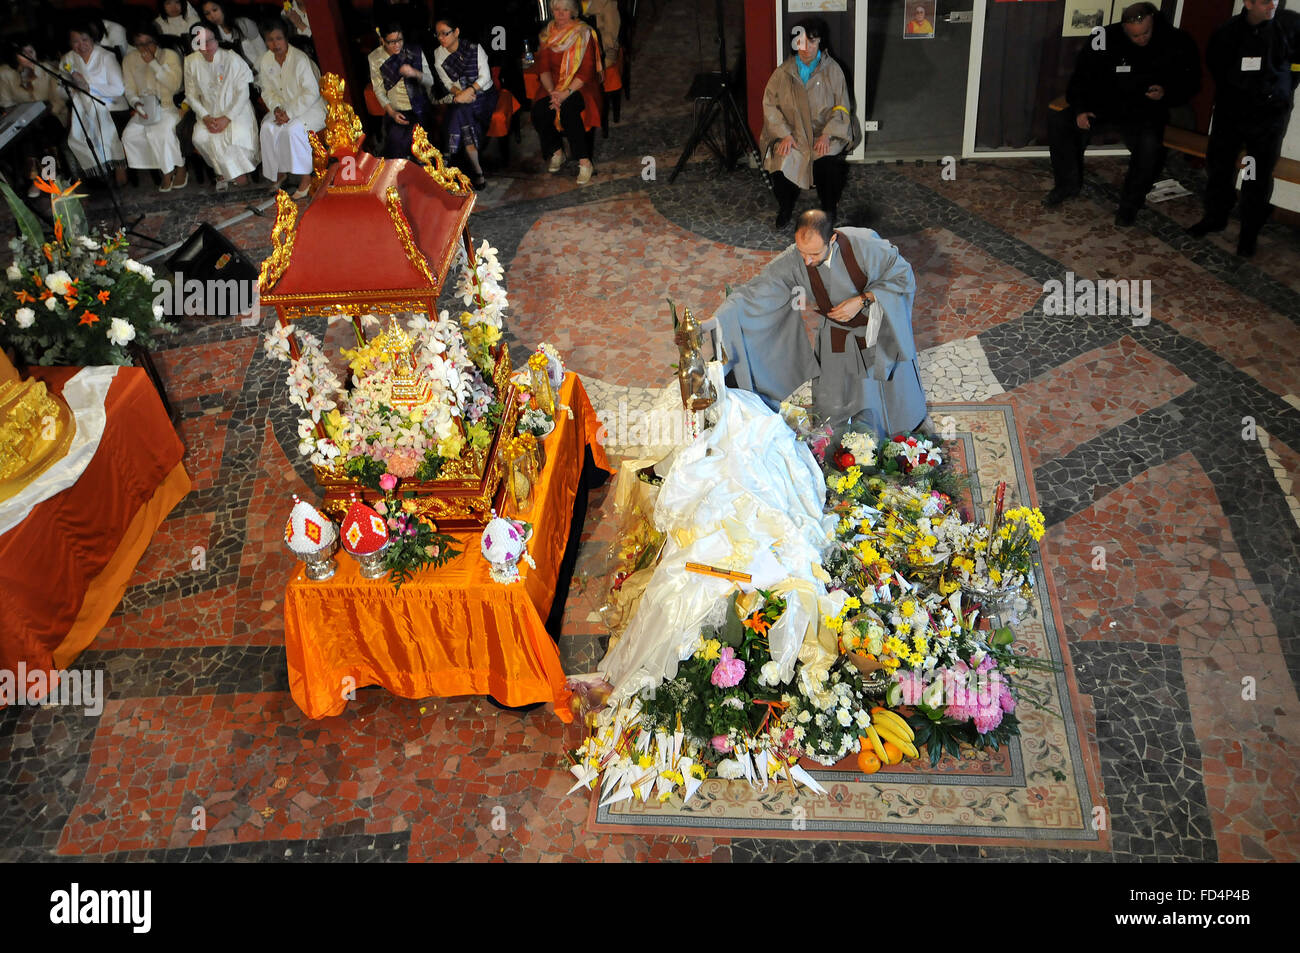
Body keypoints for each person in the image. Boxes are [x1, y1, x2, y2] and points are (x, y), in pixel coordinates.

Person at [712, 210, 925, 436]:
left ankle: (896, 436)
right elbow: (759, 289)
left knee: (883, 396)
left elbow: (902, 276)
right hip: (836, 335)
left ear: (832, 239)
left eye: (814, 253)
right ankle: (839, 444)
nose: (807, 260)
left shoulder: (864, 244)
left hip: (875, 329)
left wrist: (862, 300)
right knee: (834, 400)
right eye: (802, 252)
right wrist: (720, 318)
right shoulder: (795, 258)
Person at [1042, 2, 1200, 226]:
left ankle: (1129, 205)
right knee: (1060, 120)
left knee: (1149, 144)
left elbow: (1191, 83)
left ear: (1152, 21)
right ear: (1124, 28)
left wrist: (1166, 92)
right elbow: (1080, 78)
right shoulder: (1105, 37)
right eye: (1134, 36)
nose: (1141, 39)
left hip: (1144, 109)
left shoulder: (1175, 40)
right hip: (1104, 106)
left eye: (1145, 33)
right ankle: (1066, 185)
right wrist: (1080, 109)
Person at [1187, 0, 1300, 257]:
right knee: (1219, 168)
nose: (1271, 5)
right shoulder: (1227, 32)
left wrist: (1286, 85)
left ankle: (1249, 233)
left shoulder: (1290, 25)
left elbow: (1298, 61)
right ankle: (1215, 217)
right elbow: (1216, 66)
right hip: (1231, 115)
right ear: (1248, 3)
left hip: (1268, 119)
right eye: (1263, 1)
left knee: (1256, 177)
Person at [761, 17, 854, 229]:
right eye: (802, 42)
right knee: (781, 162)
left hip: (823, 133)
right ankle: (785, 205)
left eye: (812, 42)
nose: (807, 48)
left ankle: (829, 207)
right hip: (792, 135)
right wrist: (784, 134)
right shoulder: (783, 73)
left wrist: (828, 134)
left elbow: (842, 106)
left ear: (820, 42)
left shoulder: (833, 70)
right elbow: (770, 105)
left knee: (827, 161)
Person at [531, 0, 603, 185]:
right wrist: (552, 92)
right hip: (553, 85)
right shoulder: (547, 33)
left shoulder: (583, 33)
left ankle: (584, 162)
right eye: (556, 9)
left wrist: (565, 93)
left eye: (565, 10)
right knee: (539, 110)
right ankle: (556, 151)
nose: (560, 13)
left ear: (573, 12)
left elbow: (586, 71)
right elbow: (543, 68)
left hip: (580, 85)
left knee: (569, 111)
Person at [184, 25, 258, 189]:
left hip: (236, 111)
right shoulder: (191, 61)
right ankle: (223, 172)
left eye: (209, 40)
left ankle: (237, 174)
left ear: (216, 38)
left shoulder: (232, 58)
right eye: (200, 42)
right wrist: (205, 116)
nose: (206, 46)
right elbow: (191, 95)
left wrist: (227, 118)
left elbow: (243, 94)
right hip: (208, 112)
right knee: (200, 137)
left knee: (231, 137)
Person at [257, 19, 324, 198]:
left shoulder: (299, 59)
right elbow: (267, 90)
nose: (275, 44)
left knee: (293, 130)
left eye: (278, 38)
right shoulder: (265, 60)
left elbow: (311, 93)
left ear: (286, 38)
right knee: (267, 127)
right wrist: (277, 109)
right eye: (270, 40)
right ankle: (278, 172)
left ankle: (305, 177)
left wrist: (290, 113)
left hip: (310, 107)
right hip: (282, 109)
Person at [431, 17, 496, 190]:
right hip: (462, 98)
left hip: (483, 95)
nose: (441, 38)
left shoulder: (474, 49)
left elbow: (485, 77)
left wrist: (469, 91)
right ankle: (477, 171)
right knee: (462, 111)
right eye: (438, 35)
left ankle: (448, 156)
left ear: (457, 32)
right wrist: (460, 94)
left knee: (458, 111)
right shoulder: (439, 54)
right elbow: (447, 83)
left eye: (445, 33)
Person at [59, 25, 129, 186]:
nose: (81, 45)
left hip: (111, 106)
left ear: (92, 39)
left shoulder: (106, 56)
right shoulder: (67, 60)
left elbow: (118, 89)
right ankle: (92, 177)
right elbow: (60, 92)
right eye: (75, 41)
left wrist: (89, 87)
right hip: (83, 110)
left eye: (85, 40)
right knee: (72, 140)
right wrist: (72, 88)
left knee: (103, 129)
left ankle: (117, 168)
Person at [121, 24, 187, 192]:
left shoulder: (169, 55)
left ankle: (175, 169)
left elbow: (174, 85)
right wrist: (136, 103)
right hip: (145, 108)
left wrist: (154, 64)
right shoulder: (129, 59)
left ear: (155, 40)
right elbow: (129, 88)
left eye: (149, 42)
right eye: (139, 44)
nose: (145, 48)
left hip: (168, 106)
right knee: (129, 136)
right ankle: (167, 165)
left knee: (160, 132)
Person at [0, 40, 68, 197]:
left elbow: (58, 100)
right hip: (24, 121)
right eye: (23, 54)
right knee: (27, 138)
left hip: (51, 115)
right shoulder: (6, 74)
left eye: (31, 52)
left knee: (45, 136)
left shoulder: (48, 70)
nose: (29, 56)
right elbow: (6, 102)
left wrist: (43, 113)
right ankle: (35, 179)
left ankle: (52, 178)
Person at [367, 22, 436, 159]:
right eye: (392, 42)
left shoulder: (414, 51)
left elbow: (430, 81)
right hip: (396, 110)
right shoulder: (375, 58)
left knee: (416, 144)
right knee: (395, 143)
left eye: (399, 40)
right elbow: (379, 89)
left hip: (418, 108)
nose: (397, 45)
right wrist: (392, 113)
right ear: (382, 41)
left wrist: (415, 73)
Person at [199, 0, 267, 85]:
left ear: (223, 7)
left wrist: (253, 72)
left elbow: (263, 52)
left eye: (215, 10)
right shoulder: (212, 34)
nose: (212, 16)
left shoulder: (244, 23)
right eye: (207, 14)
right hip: (236, 79)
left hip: (260, 73)